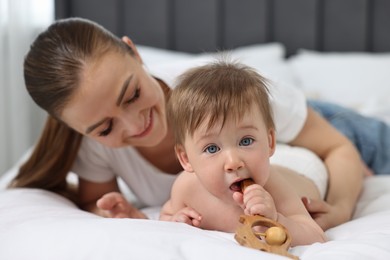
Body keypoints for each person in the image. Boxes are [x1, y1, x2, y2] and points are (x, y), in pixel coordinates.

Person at [9, 17, 363, 230]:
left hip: (338, 125)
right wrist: (130, 217)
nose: (135, 126)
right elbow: (98, 204)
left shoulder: (232, 96)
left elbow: (339, 147)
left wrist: (342, 208)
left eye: (131, 94)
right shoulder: (92, 146)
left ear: (134, 53)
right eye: (105, 128)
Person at [159, 60, 327, 246]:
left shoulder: (274, 188)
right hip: (262, 159)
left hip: (303, 168)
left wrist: (275, 219)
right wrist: (175, 219)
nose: (233, 162)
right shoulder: (186, 188)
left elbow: (315, 235)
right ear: (186, 158)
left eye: (245, 141)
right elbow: (167, 212)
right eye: (212, 148)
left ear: (270, 141)